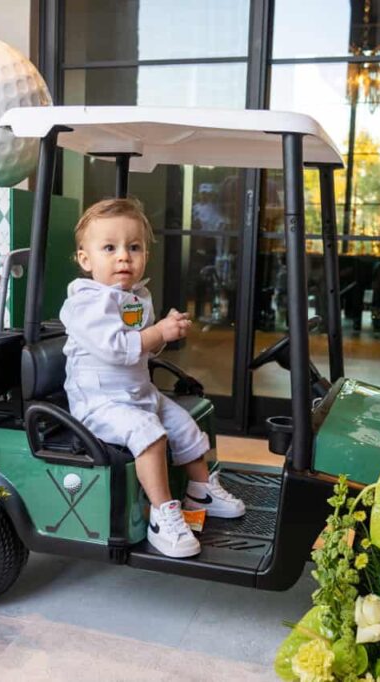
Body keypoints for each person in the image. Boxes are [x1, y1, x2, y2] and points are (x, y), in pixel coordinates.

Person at [59, 198, 246, 559]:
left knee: (185, 425)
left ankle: (201, 491)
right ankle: (163, 515)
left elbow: (145, 349)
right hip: (99, 402)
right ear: (86, 259)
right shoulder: (85, 303)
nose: (123, 257)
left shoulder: (135, 296)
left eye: (134, 247)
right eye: (109, 248)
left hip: (138, 393)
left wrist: (164, 332)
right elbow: (116, 348)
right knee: (150, 434)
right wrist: (158, 332)